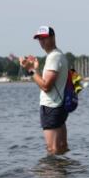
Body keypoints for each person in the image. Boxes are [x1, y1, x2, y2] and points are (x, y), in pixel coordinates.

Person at [22, 26, 69, 155]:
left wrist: (30, 70)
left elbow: (46, 86)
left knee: (52, 149)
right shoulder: (58, 55)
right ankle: (64, 173)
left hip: (51, 107)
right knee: (61, 147)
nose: (42, 42)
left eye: (44, 38)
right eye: (39, 39)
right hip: (59, 106)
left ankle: (52, 175)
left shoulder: (53, 57)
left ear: (53, 38)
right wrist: (35, 69)